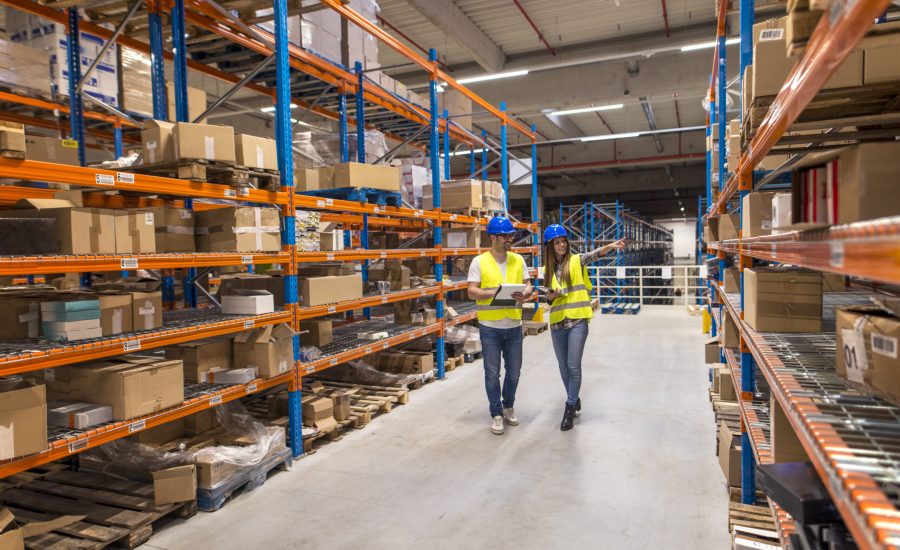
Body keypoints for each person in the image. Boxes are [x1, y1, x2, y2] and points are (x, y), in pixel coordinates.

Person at [543, 224, 625, 431]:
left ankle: (569, 407)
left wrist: (611, 246)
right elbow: (547, 299)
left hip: (578, 320)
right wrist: (550, 296)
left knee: (573, 365)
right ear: (550, 247)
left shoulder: (576, 260)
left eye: (563, 241)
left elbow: (595, 254)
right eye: (557, 242)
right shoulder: (547, 269)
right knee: (562, 366)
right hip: (557, 321)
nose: (561, 245)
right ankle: (574, 396)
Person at [467, 216, 533, 435]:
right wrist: (493, 293)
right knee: (492, 373)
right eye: (505, 236)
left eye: (510, 235)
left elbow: (528, 284)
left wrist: (526, 294)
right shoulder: (479, 261)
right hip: (490, 327)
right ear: (493, 237)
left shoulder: (518, 260)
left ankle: (508, 406)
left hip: (514, 324)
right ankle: (496, 413)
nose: (509, 239)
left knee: (514, 372)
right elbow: (471, 291)